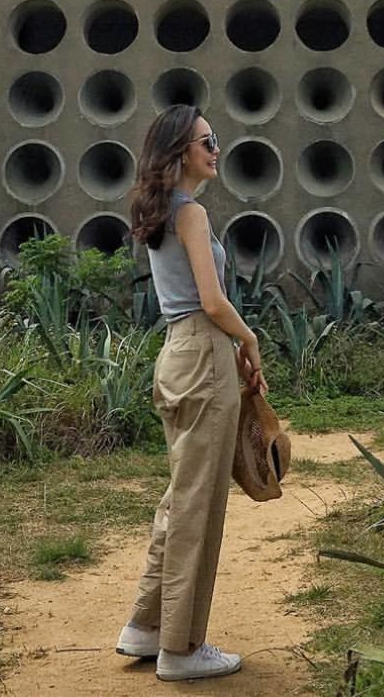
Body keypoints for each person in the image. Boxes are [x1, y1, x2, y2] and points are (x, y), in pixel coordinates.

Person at [116, 105, 268, 682]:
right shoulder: (193, 214)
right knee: (197, 505)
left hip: (180, 354)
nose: (217, 149)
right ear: (180, 151)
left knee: (182, 496)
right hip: (202, 351)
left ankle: (147, 628)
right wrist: (248, 337)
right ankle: (182, 648)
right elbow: (211, 299)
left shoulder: (164, 212)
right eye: (208, 141)